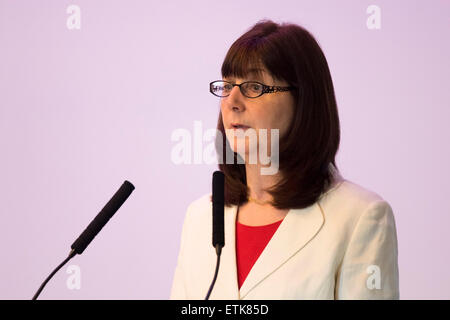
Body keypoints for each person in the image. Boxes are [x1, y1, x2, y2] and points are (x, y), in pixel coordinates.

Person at [170, 19, 399, 299]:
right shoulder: (200, 217)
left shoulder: (360, 217)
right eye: (228, 85)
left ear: (303, 101)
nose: (233, 101)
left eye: (254, 86)